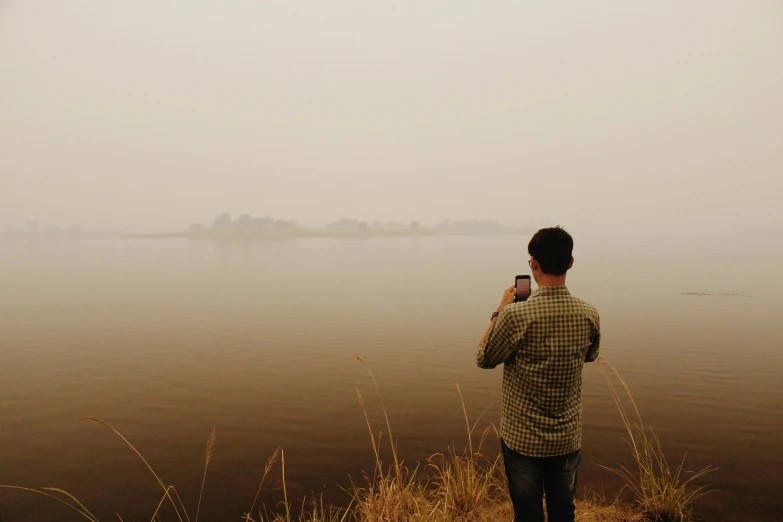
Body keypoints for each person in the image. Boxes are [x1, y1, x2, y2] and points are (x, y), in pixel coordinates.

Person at [475, 226, 600, 522]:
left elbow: (483, 358)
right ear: (570, 262)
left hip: (523, 439)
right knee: (563, 510)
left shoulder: (515, 316)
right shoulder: (589, 314)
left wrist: (499, 310)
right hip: (566, 438)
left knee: (527, 511)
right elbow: (590, 355)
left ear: (533, 264)